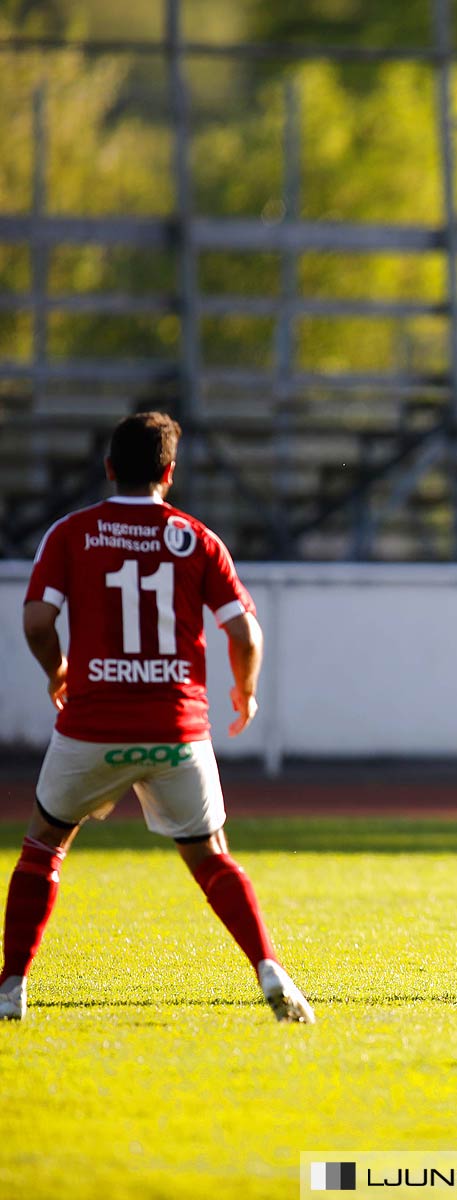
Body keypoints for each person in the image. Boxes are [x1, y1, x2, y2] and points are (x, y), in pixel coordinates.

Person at [2, 412, 314, 1023]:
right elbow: (245, 632)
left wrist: (55, 670)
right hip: (176, 729)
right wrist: (245, 692)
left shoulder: (73, 533)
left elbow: (38, 621)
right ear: (169, 473)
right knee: (211, 857)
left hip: (92, 726)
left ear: (109, 468)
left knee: (43, 846)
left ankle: (12, 987)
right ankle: (269, 967)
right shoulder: (195, 537)